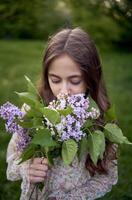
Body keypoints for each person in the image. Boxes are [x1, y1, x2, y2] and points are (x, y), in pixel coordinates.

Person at [6, 27, 118, 200]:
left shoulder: (98, 120)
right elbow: (12, 161)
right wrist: (26, 168)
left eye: (75, 80)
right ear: (46, 76)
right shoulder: (33, 112)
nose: (64, 91)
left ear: (90, 78)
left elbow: (107, 177)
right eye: (55, 80)